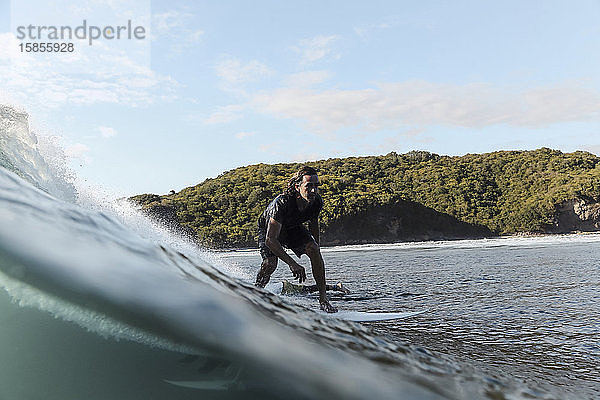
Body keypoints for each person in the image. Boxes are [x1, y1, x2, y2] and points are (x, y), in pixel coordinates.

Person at [255, 166, 338, 313]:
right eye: (309, 186)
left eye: (316, 186)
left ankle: (324, 300)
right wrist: (292, 264)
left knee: (313, 248)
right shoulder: (282, 203)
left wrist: (316, 251)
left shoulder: (316, 201)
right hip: (270, 231)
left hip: (293, 228)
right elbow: (270, 239)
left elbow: (314, 226)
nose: (313, 190)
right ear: (297, 186)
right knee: (270, 264)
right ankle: (256, 292)